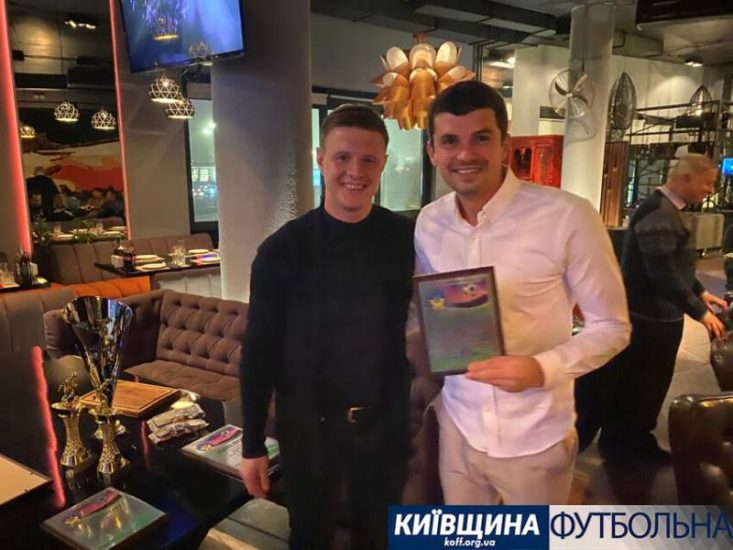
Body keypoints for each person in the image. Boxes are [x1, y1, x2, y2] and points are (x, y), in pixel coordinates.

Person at [414, 80, 630, 504]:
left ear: (504, 145)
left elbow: (613, 326)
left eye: (481, 138)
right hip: (458, 425)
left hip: (535, 436)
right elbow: (432, 306)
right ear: (433, 151)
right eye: (450, 141)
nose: (465, 154)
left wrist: (542, 367)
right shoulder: (429, 222)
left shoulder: (567, 216)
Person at [238, 104, 415, 549]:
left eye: (369, 159)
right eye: (342, 157)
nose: (355, 171)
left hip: (385, 428)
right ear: (320, 158)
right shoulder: (281, 251)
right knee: (310, 538)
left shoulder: (407, 239)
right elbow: (258, 354)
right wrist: (252, 445)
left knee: (379, 539)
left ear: (384, 164)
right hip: (308, 433)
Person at [575, 153, 726, 463]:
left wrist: (700, 292)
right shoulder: (660, 213)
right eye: (707, 183)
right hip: (649, 319)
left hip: (655, 316)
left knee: (640, 383)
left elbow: (674, 264)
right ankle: (628, 445)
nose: (710, 190)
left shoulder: (666, 210)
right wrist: (698, 311)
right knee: (645, 385)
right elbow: (661, 273)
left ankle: (623, 441)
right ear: (686, 178)